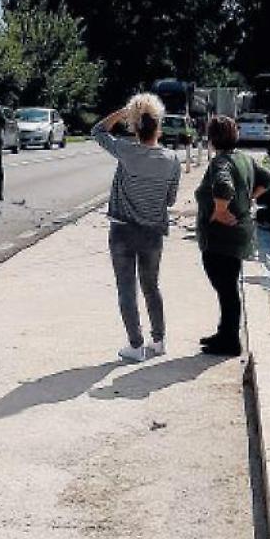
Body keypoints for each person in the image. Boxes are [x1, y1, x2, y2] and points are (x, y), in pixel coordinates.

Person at [93, 94, 182, 362]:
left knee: (126, 289)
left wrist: (124, 110)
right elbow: (171, 199)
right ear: (159, 128)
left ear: (135, 128)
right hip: (153, 233)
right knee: (151, 287)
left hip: (122, 231)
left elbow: (97, 131)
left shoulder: (126, 150)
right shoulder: (171, 159)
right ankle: (159, 340)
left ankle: (135, 345)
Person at [196, 115, 270, 356]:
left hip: (221, 237)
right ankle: (225, 333)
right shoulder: (245, 159)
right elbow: (269, 178)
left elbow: (223, 185)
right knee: (228, 288)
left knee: (226, 288)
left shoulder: (221, 162)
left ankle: (230, 340)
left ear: (212, 139)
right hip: (239, 232)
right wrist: (251, 196)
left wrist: (220, 210)